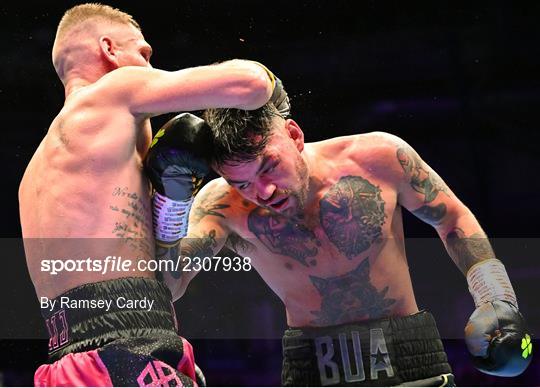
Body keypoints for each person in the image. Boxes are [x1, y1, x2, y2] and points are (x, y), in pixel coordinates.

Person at [146, 97, 532, 385]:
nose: (262, 191)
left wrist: (495, 296)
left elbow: (451, 217)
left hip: (409, 356)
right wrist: (172, 204)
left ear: (294, 135)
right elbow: (170, 286)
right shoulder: (222, 205)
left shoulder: (377, 157)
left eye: (269, 166)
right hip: (313, 368)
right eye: (242, 182)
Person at [18, 3, 281, 386]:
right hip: (129, 345)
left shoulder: (37, 170)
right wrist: (272, 84)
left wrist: (171, 205)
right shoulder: (112, 92)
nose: (148, 65)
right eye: (143, 53)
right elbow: (250, 84)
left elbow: (155, 279)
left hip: (65, 362)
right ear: (108, 48)